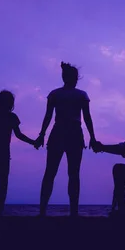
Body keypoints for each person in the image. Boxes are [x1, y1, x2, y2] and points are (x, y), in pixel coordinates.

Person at [35, 62, 97, 217]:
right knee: (73, 173)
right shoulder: (80, 95)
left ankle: (43, 211)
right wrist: (93, 137)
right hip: (73, 133)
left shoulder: (56, 94)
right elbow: (87, 118)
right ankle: (73, 212)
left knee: (50, 172)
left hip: (60, 132)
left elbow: (48, 117)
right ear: (74, 78)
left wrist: (42, 134)